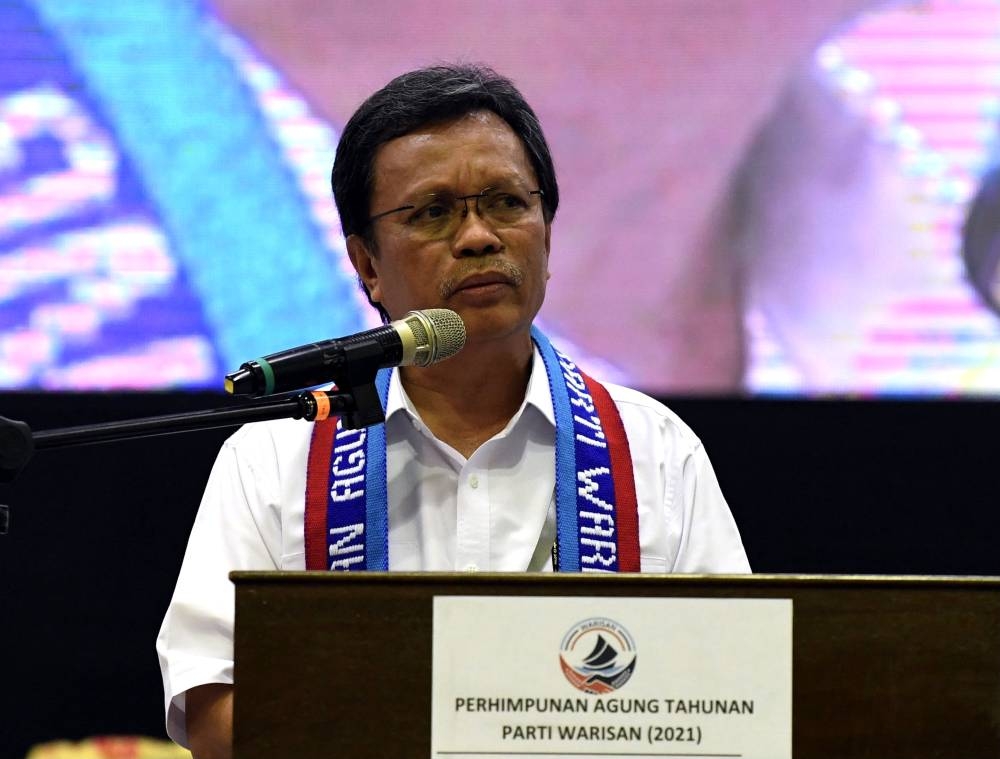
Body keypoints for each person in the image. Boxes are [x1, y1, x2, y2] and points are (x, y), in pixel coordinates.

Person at [156, 64, 750, 759]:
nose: (478, 237)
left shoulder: (654, 450)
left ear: (548, 235)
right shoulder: (273, 461)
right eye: (433, 212)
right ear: (366, 265)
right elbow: (212, 712)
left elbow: (734, 698)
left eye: (505, 203)